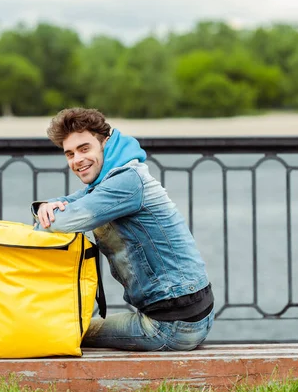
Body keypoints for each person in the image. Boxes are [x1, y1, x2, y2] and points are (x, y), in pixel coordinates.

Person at [31, 108, 214, 351]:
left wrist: (46, 214)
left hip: (173, 325)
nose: (77, 160)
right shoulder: (110, 179)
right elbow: (71, 202)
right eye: (70, 154)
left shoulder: (126, 182)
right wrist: (45, 205)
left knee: (65, 330)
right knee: (72, 326)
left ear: (105, 142)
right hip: (190, 315)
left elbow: (63, 222)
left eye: (84, 149)